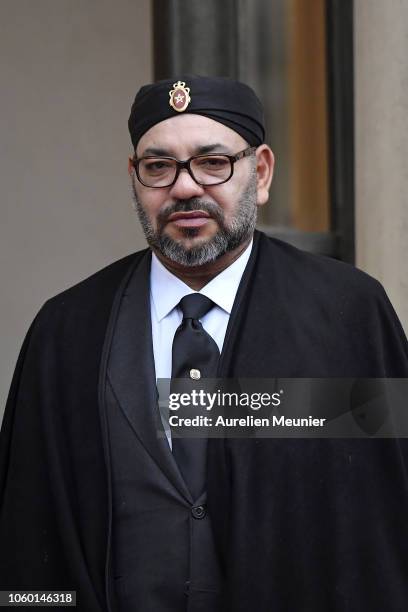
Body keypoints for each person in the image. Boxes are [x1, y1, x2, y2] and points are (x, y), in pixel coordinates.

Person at [0, 75, 407, 612]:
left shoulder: (344, 316)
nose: (185, 187)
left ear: (259, 172)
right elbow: (30, 536)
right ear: (135, 177)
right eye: (159, 166)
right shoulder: (67, 332)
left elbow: (386, 518)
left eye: (213, 163)